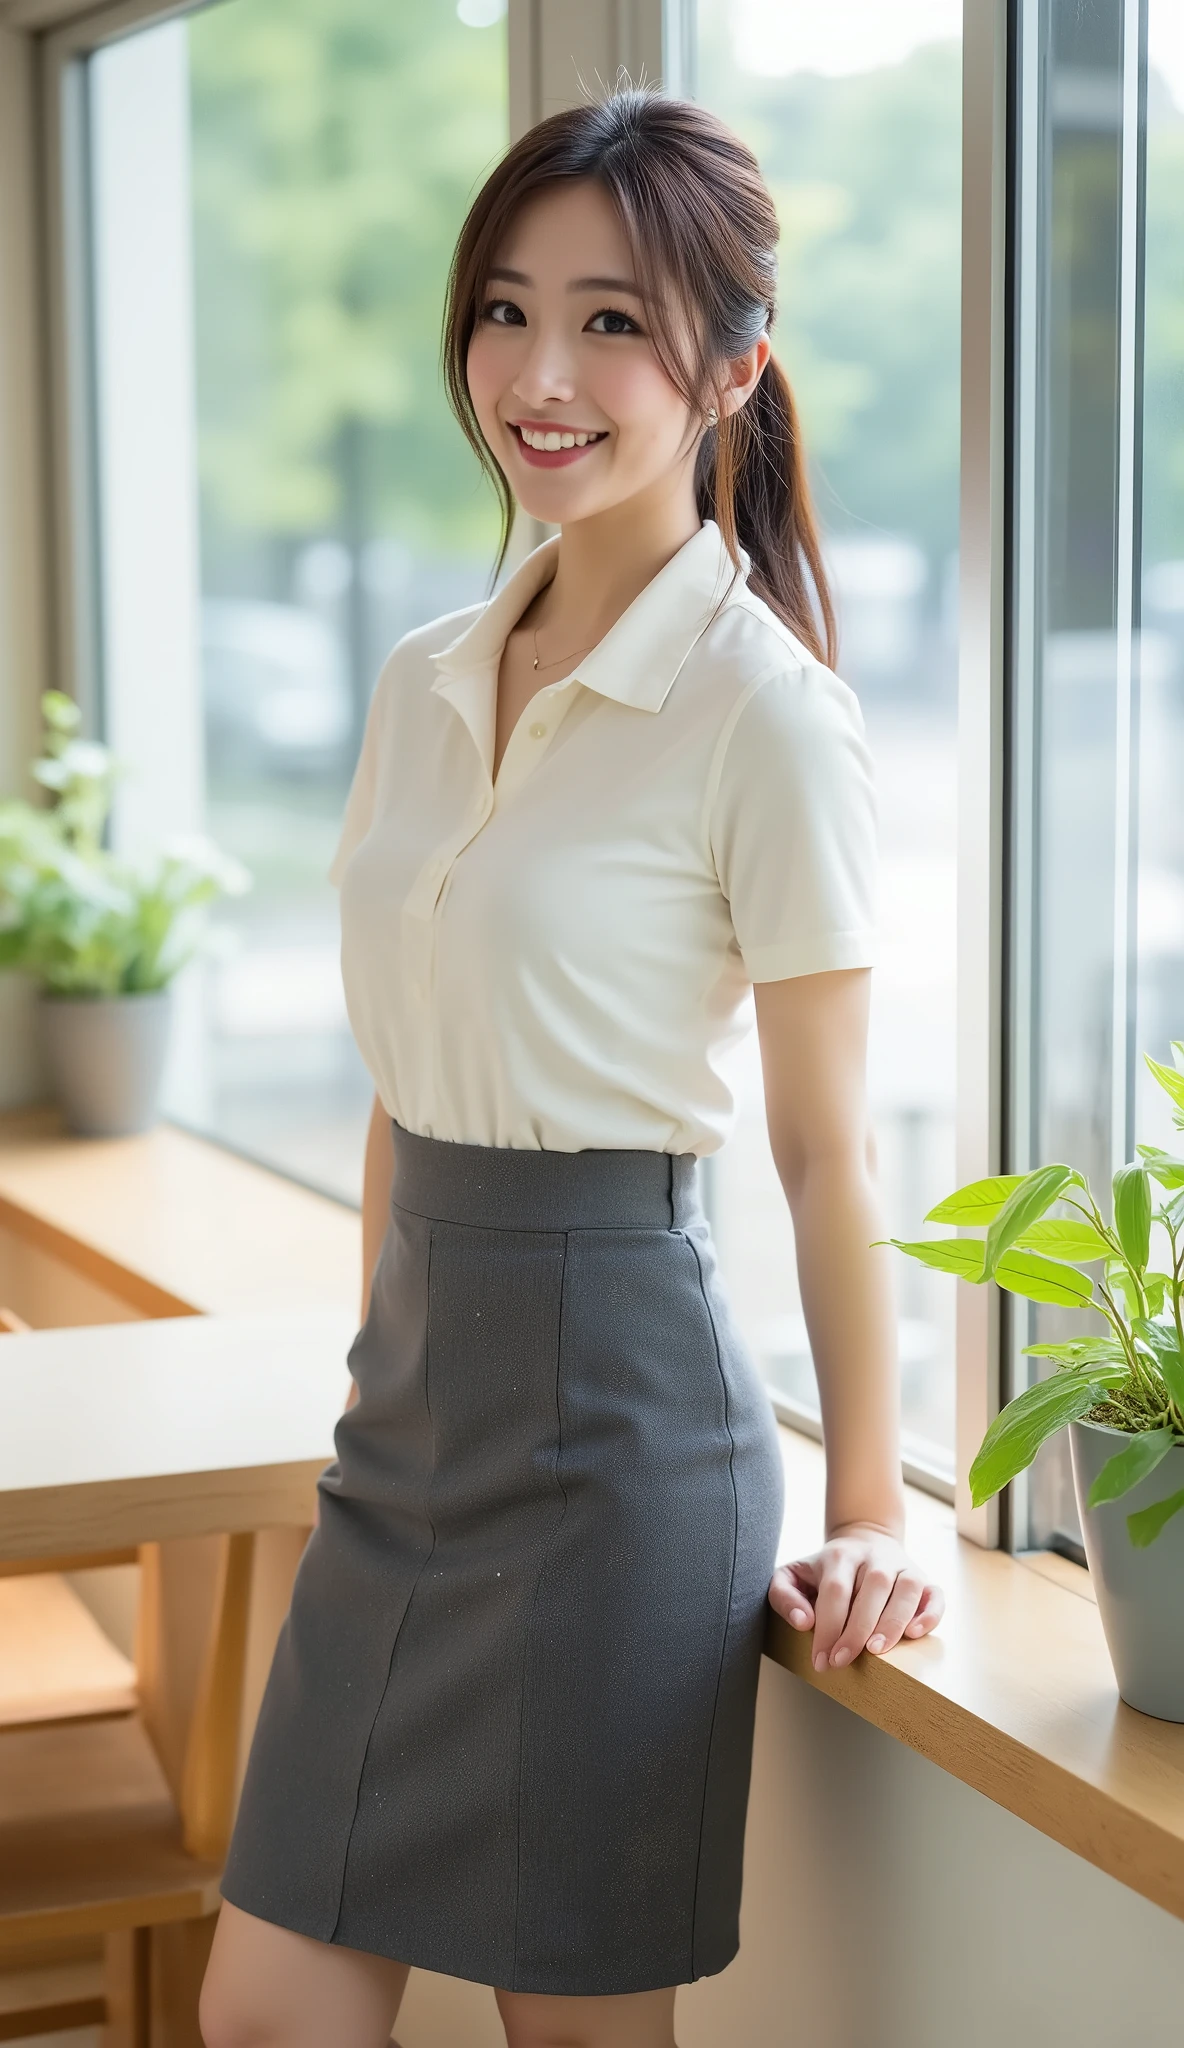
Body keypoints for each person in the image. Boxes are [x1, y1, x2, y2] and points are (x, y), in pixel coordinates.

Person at [199, 84, 944, 2048]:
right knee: (267, 2007)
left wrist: (868, 1502)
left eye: (613, 320)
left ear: (730, 365)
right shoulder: (424, 677)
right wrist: (383, 1364)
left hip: (619, 1438)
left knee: (576, 2037)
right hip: (405, 1432)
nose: (541, 373)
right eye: (506, 309)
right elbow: (403, 1074)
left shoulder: (764, 717)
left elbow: (822, 1156)